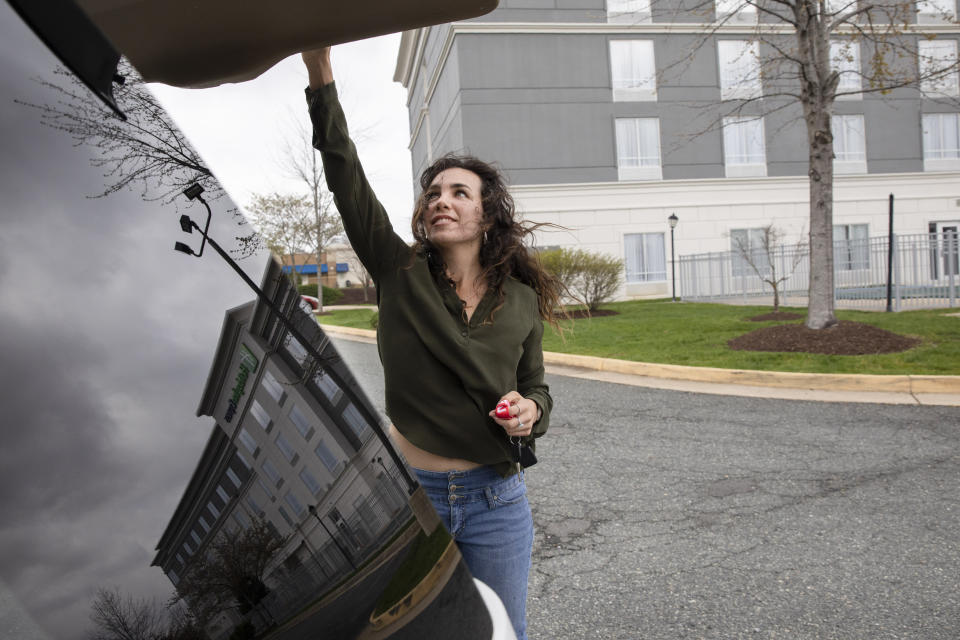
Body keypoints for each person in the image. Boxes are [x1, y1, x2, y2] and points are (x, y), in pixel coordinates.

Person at [302, 47, 564, 640]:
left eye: (459, 192)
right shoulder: (399, 271)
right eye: (434, 193)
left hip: (498, 500)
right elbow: (346, 175)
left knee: (504, 633)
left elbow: (535, 386)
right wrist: (321, 76)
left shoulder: (520, 297)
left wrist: (531, 412)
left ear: (488, 215)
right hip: (409, 499)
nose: (441, 199)